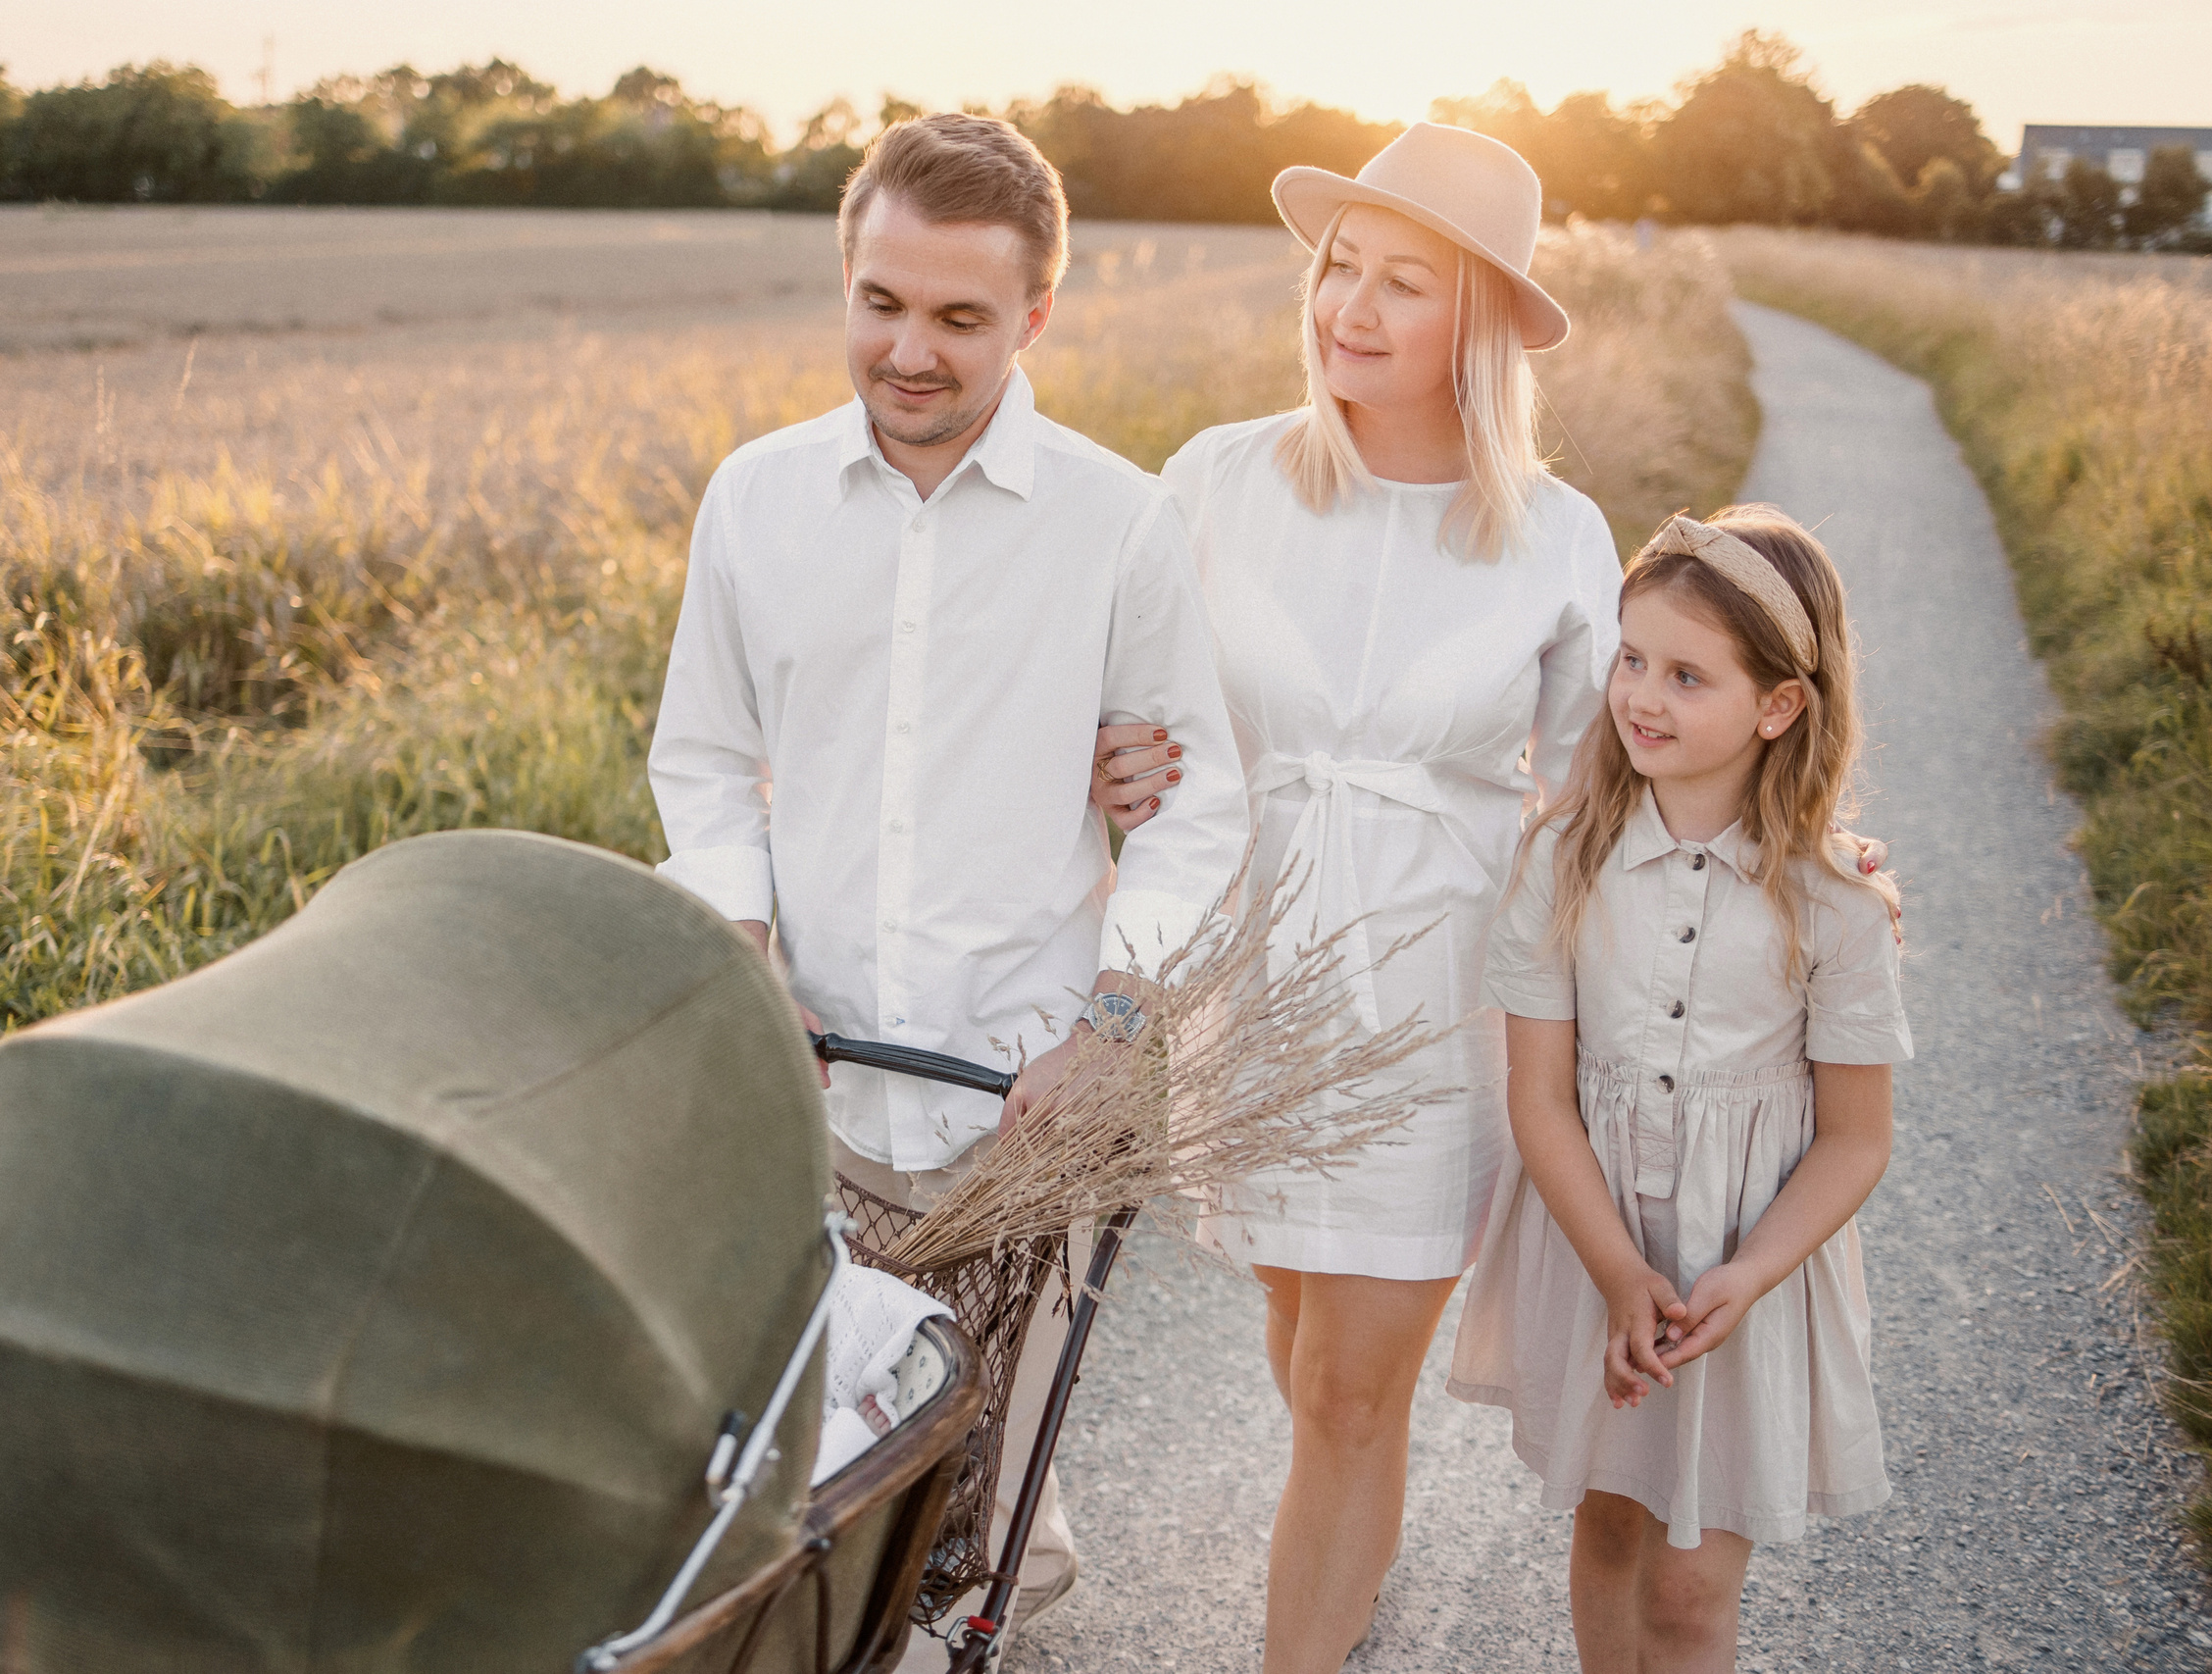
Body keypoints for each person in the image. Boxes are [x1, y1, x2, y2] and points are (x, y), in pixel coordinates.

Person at [647, 114, 1249, 1632]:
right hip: (813, 1099)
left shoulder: (1120, 524)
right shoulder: (757, 500)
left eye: (960, 318)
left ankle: (996, 1582)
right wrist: (743, 951)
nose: (909, 350)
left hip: (1026, 1107)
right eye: (881, 303)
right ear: (848, 280)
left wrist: (1115, 1025)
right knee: (814, 1495)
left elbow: (1197, 801)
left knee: (972, 1496)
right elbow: (705, 762)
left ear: (1036, 315)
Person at [1093, 123, 1619, 1671]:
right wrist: (1113, 755)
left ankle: (1308, 1630)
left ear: (1481, 326)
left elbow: (1613, 790)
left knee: (1342, 1385)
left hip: (1434, 994)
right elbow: (1121, 695)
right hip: (1252, 979)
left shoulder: (1557, 535)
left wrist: (1809, 855)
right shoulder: (1216, 479)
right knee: (1297, 1318)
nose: (1351, 307)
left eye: (1404, 282)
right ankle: (1354, 1534)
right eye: (1340, 268)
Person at [1447, 507, 1909, 1673]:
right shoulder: (1561, 860)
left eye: (1687, 675)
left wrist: (1747, 1275)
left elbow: (1855, 1140)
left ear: (1777, 706)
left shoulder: (1836, 901)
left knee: (1694, 1593)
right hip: (1598, 1241)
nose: (1642, 695)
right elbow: (1537, 1097)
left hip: (1744, 1265)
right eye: (1632, 657)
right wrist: (1615, 1275)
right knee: (1606, 1521)